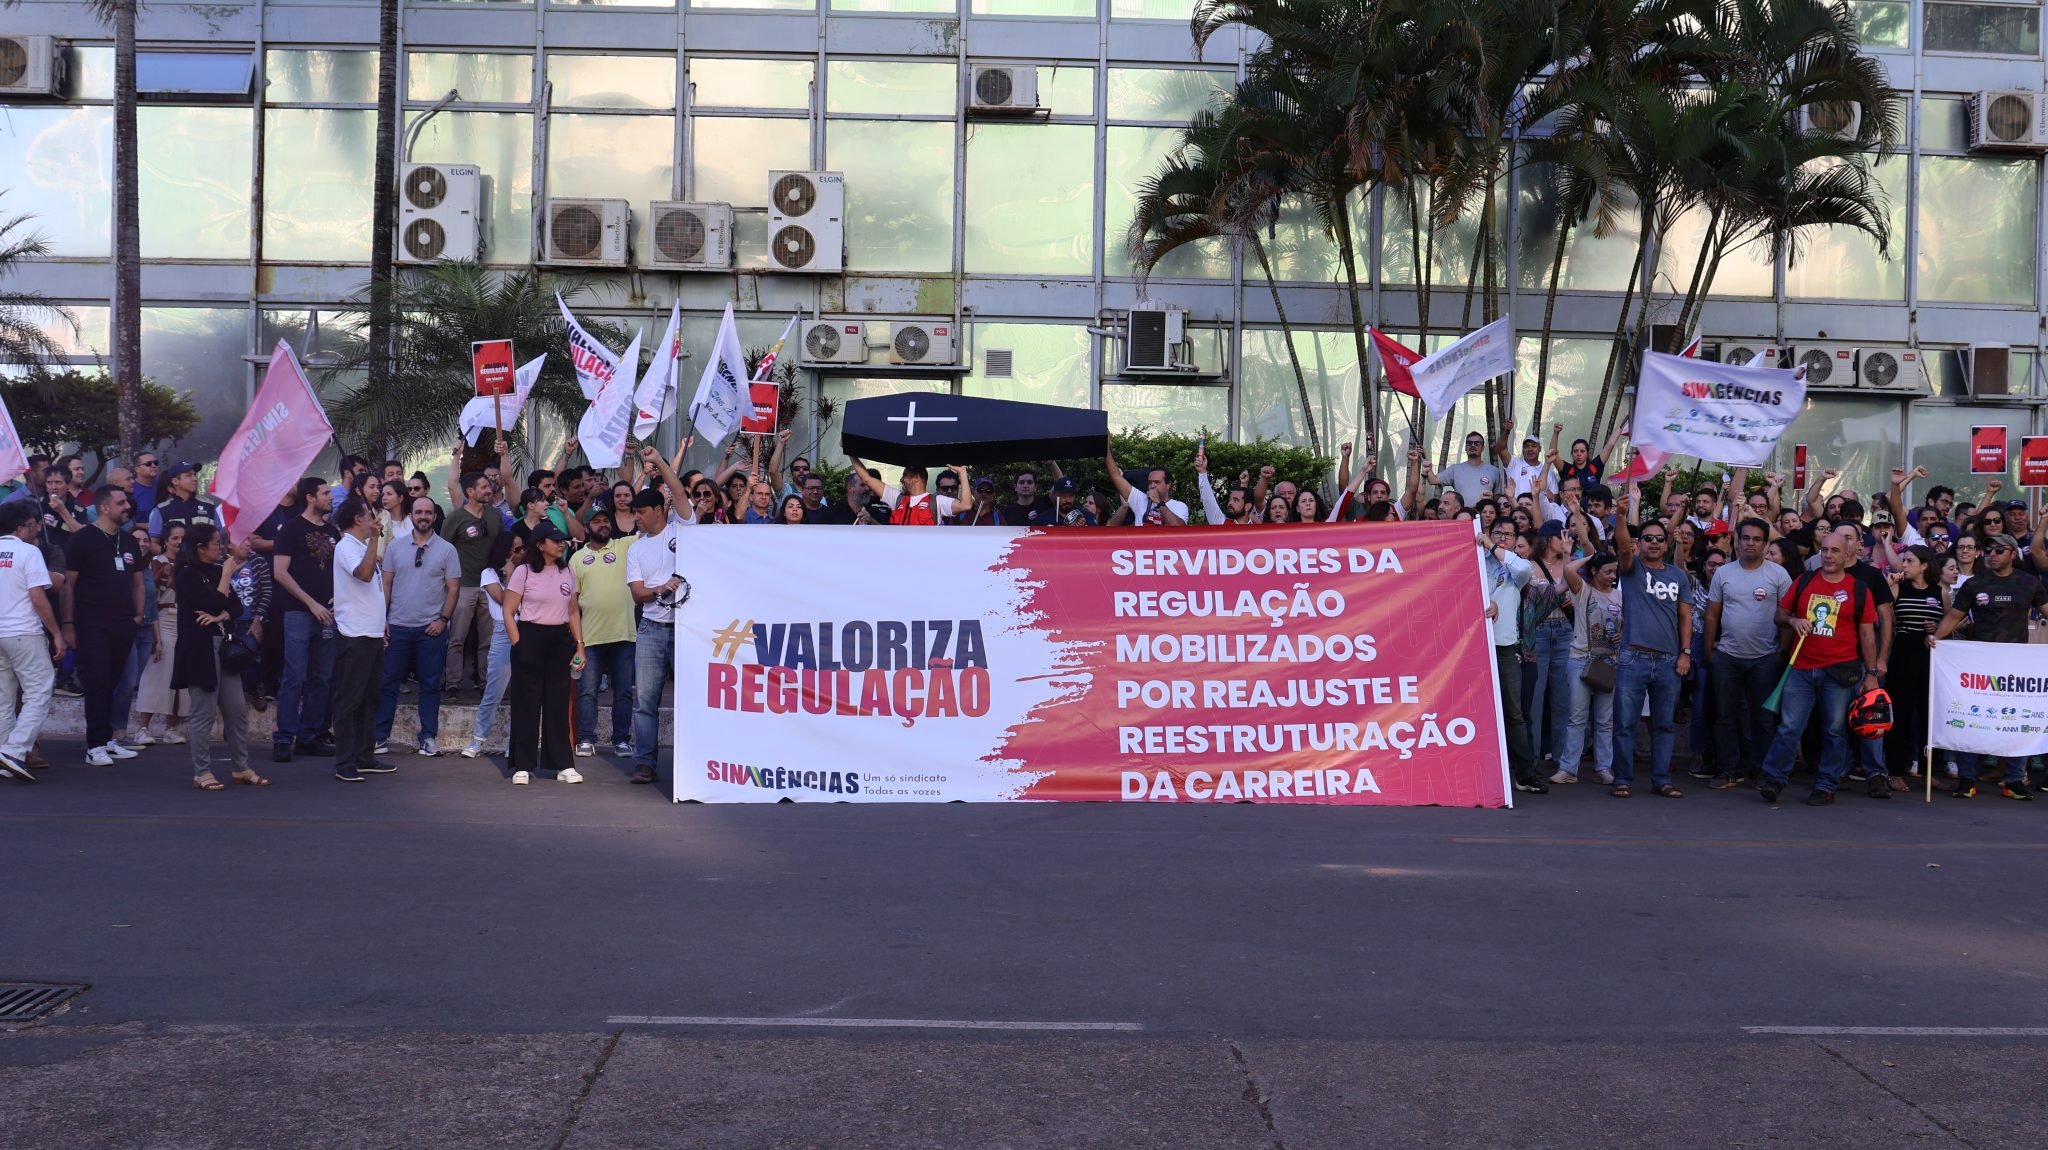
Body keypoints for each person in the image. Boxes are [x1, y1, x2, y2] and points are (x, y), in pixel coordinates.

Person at [1755, 530, 1882, 805]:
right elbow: (1780, 614)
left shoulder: (1858, 589)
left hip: (1840, 671)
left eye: (1835, 551)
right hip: (1801, 668)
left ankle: (1826, 785)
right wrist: (1793, 622)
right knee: (1789, 727)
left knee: (1834, 730)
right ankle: (1774, 779)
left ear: (1848, 554)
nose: (1828, 555)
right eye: (1824, 550)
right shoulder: (1804, 581)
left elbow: (1868, 635)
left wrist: (1871, 674)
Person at [1929, 532, 2047, 799]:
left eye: (1999, 550)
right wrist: (1936, 637)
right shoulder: (1975, 583)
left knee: (2019, 720)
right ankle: (1966, 779)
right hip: (1978, 663)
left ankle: (2014, 780)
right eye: (1989, 550)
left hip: (2016, 664)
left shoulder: (2029, 582)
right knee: (1971, 719)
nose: (1992, 554)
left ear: (2012, 553)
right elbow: (1954, 616)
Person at [1611, 479, 1693, 798]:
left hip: (1669, 660)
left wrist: (1685, 653)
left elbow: (1685, 617)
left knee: (1664, 725)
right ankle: (1622, 779)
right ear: (1640, 543)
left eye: (1660, 538)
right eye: (1648, 539)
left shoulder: (1678, 576)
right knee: (1625, 724)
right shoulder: (1631, 569)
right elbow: (1621, 546)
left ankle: (1662, 780)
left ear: (1667, 541)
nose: (1655, 543)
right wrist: (1620, 517)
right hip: (1633, 657)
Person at [171, 524, 269, 791]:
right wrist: (226, 575)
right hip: (199, 648)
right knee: (203, 712)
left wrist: (221, 616)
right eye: (215, 543)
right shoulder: (187, 574)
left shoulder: (215, 571)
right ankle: (201, 771)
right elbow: (215, 601)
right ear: (200, 547)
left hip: (223, 644)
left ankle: (241, 766)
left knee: (236, 709)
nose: (221, 548)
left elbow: (234, 606)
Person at [1703, 518, 1791, 789]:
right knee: (1725, 716)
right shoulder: (1723, 573)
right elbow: (1712, 615)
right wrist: (1709, 652)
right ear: (1737, 541)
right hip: (1727, 657)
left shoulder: (1779, 575)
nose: (1750, 543)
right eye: (1746, 538)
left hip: (1766, 658)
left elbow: (1788, 616)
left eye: (1756, 539)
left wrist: (1782, 652)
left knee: (1763, 719)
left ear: (1766, 544)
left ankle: (1761, 771)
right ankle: (1728, 770)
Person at [63, 486, 145, 767]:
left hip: (123, 624)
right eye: (121, 503)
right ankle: (94, 745)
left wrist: (137, 616)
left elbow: (137, 582)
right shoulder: (83, 539)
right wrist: (68, 624)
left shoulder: (129, 541)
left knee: (112, 681)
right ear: (104, 508)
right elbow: (68, 585)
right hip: (90, 624)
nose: (127, 507)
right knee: (96, 681)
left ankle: (108, 739)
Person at [626, 445, 694, 785]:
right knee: (646, 702)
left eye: (640, 512)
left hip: (687, 627)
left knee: (691, 699)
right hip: (651, 627)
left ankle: (692, 762)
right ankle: (644, 763)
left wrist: (658, 462)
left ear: (658, 509)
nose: (635, 518)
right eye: (633, 513)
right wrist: (662, 588)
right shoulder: (636, 548)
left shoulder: (682, 529)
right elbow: (638, 593)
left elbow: (679, 490)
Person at [375, 496, 462, 757]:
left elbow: (453, 588)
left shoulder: (447, 549)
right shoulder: (395, 547)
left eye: (428, 512)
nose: (423, 516)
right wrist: (383, 620)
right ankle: (379, 737)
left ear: (434, 516)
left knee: (430, 685)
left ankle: (428, 738)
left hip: (430, 629)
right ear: (411, 515)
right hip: (398, 627)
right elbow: (386, 584)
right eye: (418, 512)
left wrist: (442, 620)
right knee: (388, 683)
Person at [503, 522, 584, 785]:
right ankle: (523, 765)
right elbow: (508, 611)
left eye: (562, 540)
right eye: (555, 540)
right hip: (530, 636)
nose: (561, 544)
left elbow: (572, 611)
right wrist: (518, 643)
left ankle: (562, 765)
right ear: (540, 545)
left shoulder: (567, 570)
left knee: (558, 703)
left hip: (560, 639)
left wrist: (579, 644)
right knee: (527, 703)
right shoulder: (523, 572)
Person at [270, 477, 340, 762]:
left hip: (328, 614)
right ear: (310, 497)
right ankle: (284, 738)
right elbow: (280, 572)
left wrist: (339, 597)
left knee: (322, 677)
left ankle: (310, 736)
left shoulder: (334, 530)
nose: (330, 498)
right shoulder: (290, 529)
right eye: (325, 493)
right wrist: (311, 603)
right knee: (294, 676)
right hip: (299, 612)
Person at [328, 497, 391, 782]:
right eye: (369, 515)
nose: (373, 520)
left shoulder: (361, 546)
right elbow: (364, 575)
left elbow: (373, 591)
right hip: (354, 633)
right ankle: (345, 762)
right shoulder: (345, 547)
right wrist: (376, 541)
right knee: (349, 700)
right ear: (357, 519)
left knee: (369, 699)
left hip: (372, 632)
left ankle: (365, 756)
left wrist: (383, 623)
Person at [0, 500, 63, 781]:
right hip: (23, 632)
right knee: (39, 690)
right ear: (21, 527)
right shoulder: (29, 551)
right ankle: (14, 751)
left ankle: (4, 752)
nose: (34, 528)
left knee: (3, 697)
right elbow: (38, 597)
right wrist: (57, 632)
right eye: (31, 524)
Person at [1481, 517, 1544, 793]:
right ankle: (1482, 771)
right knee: (1479, 713)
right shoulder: (1477, 561)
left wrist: (1490, 544)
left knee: (1515, 714)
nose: (1502, 538)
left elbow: (1522, 567)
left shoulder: (1518, 568)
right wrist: (1486, 602)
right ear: (1489, 533)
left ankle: (1524, 774)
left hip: (1506, 649)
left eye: (1508, 534)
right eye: (1497, 533)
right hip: (1475, 647)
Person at [570, 508, 636, 759]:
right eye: (596, 522)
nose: (602, 525)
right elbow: (572, 605)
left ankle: (621, 740)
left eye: (605, 521)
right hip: (590, 638)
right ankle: (587, 738)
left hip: (624, 634)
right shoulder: (577, 559)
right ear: (587, 528)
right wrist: (578, 641)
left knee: (623, 692)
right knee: (587, 691)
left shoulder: (625, 545)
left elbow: (654, 529)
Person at [1554, 551, 1621, 786]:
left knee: (1604, 720)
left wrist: (1624, 634)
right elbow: (1568, 570)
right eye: (1607, 571)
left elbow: (1629, 625)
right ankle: (1568, 768)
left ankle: (1604, 767)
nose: (1613, 576)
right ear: (1594, 571)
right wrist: (1592, 555)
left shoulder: (1621, 597)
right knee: (1577, 718)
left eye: (1615, 571)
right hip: (1580, 660)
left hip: (1609, 663)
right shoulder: (1583, 591)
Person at [441, 460, 504, 699]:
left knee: (488, 639)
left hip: (490, 586)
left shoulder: (495, 516)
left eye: (489, 487)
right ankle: (453, 683)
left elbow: (501, 547)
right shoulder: (455, 518)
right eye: (484, 487)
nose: (489, 490)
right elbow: (443, 551)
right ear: (470, 492)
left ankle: (486, 682)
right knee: (457, 637)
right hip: (463, 586)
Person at [1885, 544, 1944, 786]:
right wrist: (1888, 587)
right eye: (1903, 561)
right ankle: (1895, 771)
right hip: (1903, 652)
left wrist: (1936, 628)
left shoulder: (1941, 592)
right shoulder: (1898, 587)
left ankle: (1932, 772)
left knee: (1930, 716)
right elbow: (1883, 617)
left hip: (1930, 655)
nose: (1904, 565)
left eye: (1909, 561)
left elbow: (1952, 622)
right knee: (1900, 714)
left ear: (1925, 565)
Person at [463, 532, 524, 758]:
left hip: (526, 629)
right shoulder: (489, 574)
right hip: (502, 630)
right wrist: (508, 577)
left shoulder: (527, 572)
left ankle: (516, 743)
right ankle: (478, 740)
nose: (521, 553)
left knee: (523, 690)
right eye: (516, 549)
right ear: (505, 551)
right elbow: (507, 602)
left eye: (522, 549)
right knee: (494, 690)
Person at [1520, 522, 1574, 770]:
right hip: (1538, 633)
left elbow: (1575, 594)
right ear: (1547, 539)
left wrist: (1569, 555)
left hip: (1564, 631)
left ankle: (1563, 756)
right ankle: (1531, 757)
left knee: (1563, 697)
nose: (1564, 538)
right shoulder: (1529, 566)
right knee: (1536, 697)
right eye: (1559, 535)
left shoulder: (1567, 563)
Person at [133, 523, 189, 745]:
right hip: (163, 621)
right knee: (158, 674)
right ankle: (142, 727)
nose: (178, 542)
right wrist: (156, 637)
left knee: (179, 677)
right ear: (166, 541)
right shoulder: (156, 563)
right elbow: (150, 600)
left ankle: (171, 727)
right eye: (174, 538)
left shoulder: (188, 564)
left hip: (184, 622)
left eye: (182, 538)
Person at [1105, 449, 1188, 525]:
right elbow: (1115, 476)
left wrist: (1159, 503)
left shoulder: (1179, 506)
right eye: (1150, 482)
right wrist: (1105, 445)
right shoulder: (1140, 499)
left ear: (1168, 484)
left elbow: (1178, 528)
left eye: (1157, 482)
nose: (1152, 486)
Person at [145, 460, 220, 537]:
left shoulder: (209, 505)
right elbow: (153, 543)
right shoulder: (161, 510)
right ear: (175, 481)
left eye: (195, 474)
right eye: (189, 475)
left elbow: (220, 537)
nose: (195, 478)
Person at [1438, 432, 1507, 506]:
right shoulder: (1455, 469)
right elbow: (1434, 480)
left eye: (1477, 443)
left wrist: (1493, 497)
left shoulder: (1494, 471)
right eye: (1469, 443)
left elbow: (1498, 497)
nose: (1473, 445)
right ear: (1465, 447)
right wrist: (1426, 465)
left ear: (1483, 448)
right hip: (1462, 515)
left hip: (1484, 516)